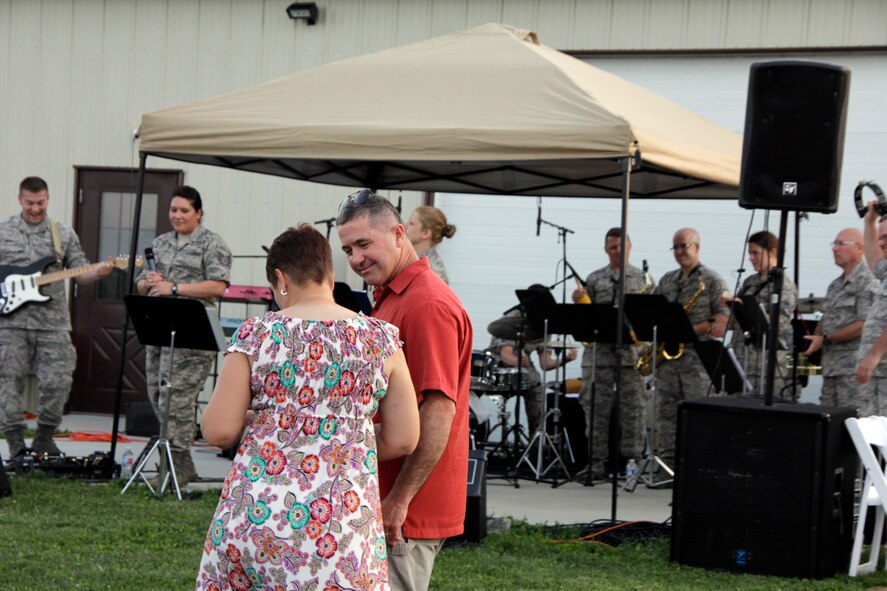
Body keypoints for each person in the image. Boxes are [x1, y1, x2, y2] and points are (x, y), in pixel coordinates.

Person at [196, 225, 419, 591]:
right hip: (340, 530)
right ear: (329, 274)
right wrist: (341, 439)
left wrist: (263, 422)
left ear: (281, 279)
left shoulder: (257, 335)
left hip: (254, 520)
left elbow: (219, 430)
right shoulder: (381, 339)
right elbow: (404, 438)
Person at [336, 190, 473, 591]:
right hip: (385, 498)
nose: (356, 258)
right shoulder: (393, 296)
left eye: (364, 244)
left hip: (406, 511)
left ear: (399, 234)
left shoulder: (426, 304)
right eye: (347, 249)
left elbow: (439, 410)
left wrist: (400, 499)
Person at [0, 176, 113, 457]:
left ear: (47, 199)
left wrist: (99, 271)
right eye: (30, 203)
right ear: (19, 200)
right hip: (10, 324)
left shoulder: (61, 233)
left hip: (53, 324)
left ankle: (44, 436)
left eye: (40, 202)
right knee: (7, 381)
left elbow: (81, 272)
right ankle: (15, 443)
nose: (36, 208)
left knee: (58, 381)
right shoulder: (3, 232)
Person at [135, 185, 232, 485]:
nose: (177, 216)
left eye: (184, 211)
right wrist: (148, 283)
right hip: (160, 332)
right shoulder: (160, 243)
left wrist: (175, 288)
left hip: (191, 337)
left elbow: (218, 286)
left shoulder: (212, 243)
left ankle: (175, 467)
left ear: (198, 213)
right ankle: (180, 466)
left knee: (177, 399)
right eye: (173, 210)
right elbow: (140, 285)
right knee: (157, 395)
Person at [571, 227, 653, 479]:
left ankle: (633, 464)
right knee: (595, 410)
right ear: (606, 250)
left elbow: (652, 317)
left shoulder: (644, 279)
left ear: (629, 247)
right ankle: (595, 465)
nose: (617, 252)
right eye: (612, 247)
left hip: (632, 356)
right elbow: (586, 320)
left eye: (621, 246)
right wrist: (580, 301)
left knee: (634, 411)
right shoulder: (594, 279)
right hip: (600, 357)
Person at [653, 228, 729, 457]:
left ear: (697, 247)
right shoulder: (667, 279)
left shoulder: (713, 279)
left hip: (697, 363)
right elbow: (654, 311)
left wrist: (689, 330)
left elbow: (724, 316)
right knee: (666, 415)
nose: (679, 251)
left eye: (683, 246)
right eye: (675, 247)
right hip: (668, 361)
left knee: (698, 416)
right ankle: (667, 469)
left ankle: (697, 467)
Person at [487, 284, 577, 438]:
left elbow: (545, 363)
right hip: (497, 365)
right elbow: (505, 354)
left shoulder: (545, 324)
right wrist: (520, 362)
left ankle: (535, 441)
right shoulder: (513, 318)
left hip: (523, 365)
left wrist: (565, 360)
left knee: (537, 386)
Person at [804, 228, 877, 410]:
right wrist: (816, 338)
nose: (834, 249)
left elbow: (863, 325)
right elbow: (826, 319)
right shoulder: (835, 285)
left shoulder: (868, 282)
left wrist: (826, 339)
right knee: (829, 424)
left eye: (841, 244)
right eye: (834, 244)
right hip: (831, 369)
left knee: (852, 423)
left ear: (859, 248)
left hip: (853, 371)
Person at [729, 231, 799, 398]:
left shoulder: (784, 285)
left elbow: (778, 322)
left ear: (773, 252)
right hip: (742, 362)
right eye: (750, 253)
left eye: (756, 253)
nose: (751, 258)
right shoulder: (750, 282)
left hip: (766, 369)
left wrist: (749, 313)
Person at [854, 206, 887, 415]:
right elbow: (874, 261)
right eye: (881, 238)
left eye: (886, 238)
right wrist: (869, 222)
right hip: (878, 371)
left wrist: (875, 354)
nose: (881, 243)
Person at [404, 205, 455, 284]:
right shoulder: (409, 259)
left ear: (426, 233)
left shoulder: (433, 273)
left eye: (411, 223)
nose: (405, 226)